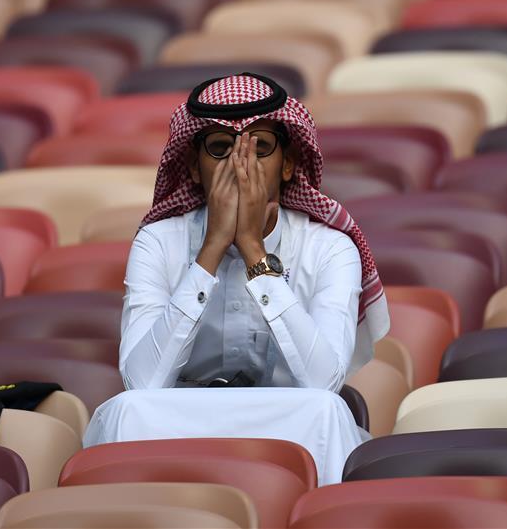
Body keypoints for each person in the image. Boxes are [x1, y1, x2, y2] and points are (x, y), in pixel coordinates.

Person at [120, 72, 389, 392]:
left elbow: (323, 385)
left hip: (290, 426)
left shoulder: (330, 249)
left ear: (287, 164)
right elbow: (140, 384)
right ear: (194, 166)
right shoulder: (158, 242)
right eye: (220, 148)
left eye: (259, 147)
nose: (239, 165)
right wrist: (211, 250)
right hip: (182, 428)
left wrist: (252, 249)